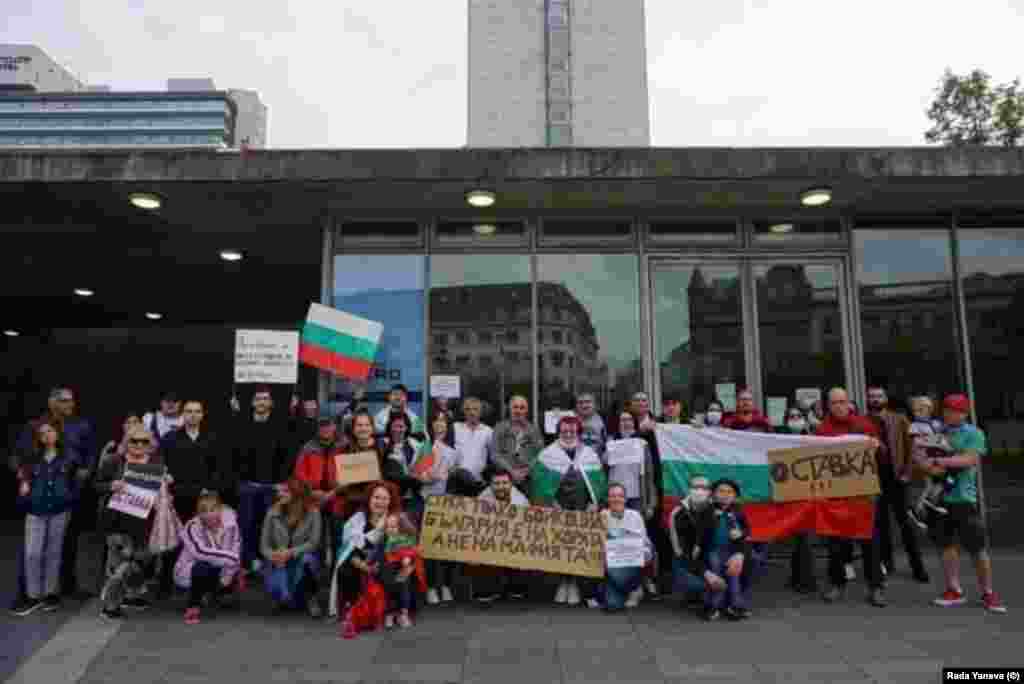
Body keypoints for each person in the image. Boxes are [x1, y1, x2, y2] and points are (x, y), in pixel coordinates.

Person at [14, 387, 95, 601]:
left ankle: (64, 587)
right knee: (33, 548)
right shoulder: (36, 426)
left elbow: (89, 454)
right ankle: (28, 592)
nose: (70, 404)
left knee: (67, 543)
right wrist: (24, 478)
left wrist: (86, 470)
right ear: (52, 402)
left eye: (72, 401)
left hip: (70, 492)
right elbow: (18, 457)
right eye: (64, 400)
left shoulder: (81, 426)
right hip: (40, 492)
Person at [929, 394, 1006, 613]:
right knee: (946, 546)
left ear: (965, 413)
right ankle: (954, 590)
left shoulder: (974, 433)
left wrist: (940, 461)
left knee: (977, 548)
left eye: (955, 410)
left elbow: (969, 460)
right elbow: (925, 461)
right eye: (947, 409)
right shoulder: (938, 432)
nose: (949, 413)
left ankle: (988, 593)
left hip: (964, 498)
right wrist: (928, 464)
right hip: (941, 498)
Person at [94, 427, 176, 620]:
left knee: (139, 562)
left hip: (146, 522)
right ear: (126, 442)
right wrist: (110, 486)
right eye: (134, 441)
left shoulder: (156, 463)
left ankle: (132, 596)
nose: (139, 445)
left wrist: (166, 484)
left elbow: (163, 492)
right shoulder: (114, 461)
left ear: (151, 445)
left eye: (144, 441)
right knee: (118, 564)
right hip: (117, 520)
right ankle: (110, 606)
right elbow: (95, 484)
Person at [815, 387, 886, 607]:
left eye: (842, 401)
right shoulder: (822, 430)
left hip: (862, 496)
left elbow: (882, 455)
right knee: (835, 543)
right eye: (834, 402)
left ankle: (876, 587)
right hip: (835, 496)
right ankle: (837, 584)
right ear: (829, 405)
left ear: (849, 403)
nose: (839, 406)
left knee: (869, 543)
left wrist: (877, 446)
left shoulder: (864, 425)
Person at [532, 415, 607, 606]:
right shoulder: (547, 454)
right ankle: (562, 582)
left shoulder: (589, 453)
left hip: (583, 507)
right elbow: (539, 484)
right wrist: (551, 504)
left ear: (578, 432)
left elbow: (598, 481)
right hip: (558, 507)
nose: (568, 433)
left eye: (572, 431)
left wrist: (595, 502)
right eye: (564, 430)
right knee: (560, 546)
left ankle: (573, 583)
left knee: (578, 546)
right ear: (558, 431)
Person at [160, 399, 228, 598]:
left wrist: (211, 489)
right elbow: (161, 465)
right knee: (173, 542)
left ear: (203, 414)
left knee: (205, 544)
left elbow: (220, 469)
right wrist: (165, 478)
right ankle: (167, 585)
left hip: (203, 500)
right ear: (183, 414)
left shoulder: (213, 438)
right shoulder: (169, 438)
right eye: (188, 411)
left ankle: (205, 588)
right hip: (177, 498)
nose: (192, 415)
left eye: (197, 411)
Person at [11, 421, 80, 616]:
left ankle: (50, 593)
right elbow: (23, 476)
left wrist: (69, 498)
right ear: (38, 438)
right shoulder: (31, 458)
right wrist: (24, 485)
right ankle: (33, 596)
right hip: (35, 509)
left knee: (54, 552)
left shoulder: (68, 457)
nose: (47, 435)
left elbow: (75, 482)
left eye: (50, 431)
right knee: (33, 553)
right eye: (42, 433)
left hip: (59, 510)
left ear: (57, 433)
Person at [865, 385, 929, 583]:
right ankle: (887, 564)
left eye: (879, 396)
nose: (876, 399)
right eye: (872, 397)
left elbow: (912, 448)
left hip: (898, 479)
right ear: (868, 400)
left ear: (885, 398)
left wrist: (908, 474)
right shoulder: (863, 421)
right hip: (875, 480)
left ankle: (917, 567)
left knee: (906, 524)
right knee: (880, 524)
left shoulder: (899, 419)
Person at [229, 386, 294, 575]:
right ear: (252, 402)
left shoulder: (281, 425)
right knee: (246, 525)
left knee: (270, 526)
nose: (261, 402)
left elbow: (287, 455)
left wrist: (282, 482)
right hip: (248, 485)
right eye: (258, 398)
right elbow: (232, 451)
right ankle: (248, 563)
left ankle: (269, 562)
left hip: (272, 486)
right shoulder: (241, 424)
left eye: (265, 398)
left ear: (271, 403)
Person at [329, 481, 401, 631]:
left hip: (386, 562)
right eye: (376, 497)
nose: (380, 502)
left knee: (388, 570)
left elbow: (404, 546)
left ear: (390, 501)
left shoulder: (396, 520)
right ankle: (352, 608)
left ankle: (387, 612)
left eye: (384, 498)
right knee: (345, 568)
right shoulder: (357, 519)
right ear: (369, 499)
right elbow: (349, 549)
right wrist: (364, 566)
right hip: (361, 562)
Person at [175, 490, 242, 625]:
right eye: (203, 511)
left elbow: (236, 548)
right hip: (189, 572)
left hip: (220, 569)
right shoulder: (191, 526)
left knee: (229, 574)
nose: (209, 514)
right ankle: (193, 606)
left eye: (213, 509)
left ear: (220, 509)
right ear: (198, 513)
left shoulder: (232, 525)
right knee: (203, 565)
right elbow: (200, 552)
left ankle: (212, 594)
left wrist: (226, 578)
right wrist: (233, 558)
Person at [260, 478, 323, 618]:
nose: (279, 494)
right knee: (274, 576)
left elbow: (314, 543)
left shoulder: (314, 512)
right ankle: (279, 597)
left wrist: (290, 553)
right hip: (279, 562)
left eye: (285, 491)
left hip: (300, 558)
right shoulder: (272, 513)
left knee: (308, 560)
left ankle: (311, 598)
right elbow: (264, 546)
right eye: (281, 491)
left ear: (297, 494)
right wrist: (274, 556)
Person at [470, 470, 531, 604]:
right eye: (496, 483)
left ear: (511, 484)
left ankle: (516, 589)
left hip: (513, 541)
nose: (501, 486)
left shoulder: (520, 501)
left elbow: (526, 531)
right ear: (490, 485)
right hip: (489, 540)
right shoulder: (482, 498)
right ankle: (487, 589)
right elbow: (475, 527)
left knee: (520, 557)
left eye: (504, 483)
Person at [696, 479, 753, 621]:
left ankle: (735, 605)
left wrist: (742, 533)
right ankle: (712, 606)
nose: (725, 495)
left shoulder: (738, 512)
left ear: (735, 496)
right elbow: (700, 533)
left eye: (729, 492)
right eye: (721, 491)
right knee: (717, 578)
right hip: (713, 551)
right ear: (713, 494)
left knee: (734, 578)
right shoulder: (706, 511)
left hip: (732, 551)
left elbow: (747, 530)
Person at [421, 412, 458, 605]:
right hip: (426, 500)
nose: (440, 424)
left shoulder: (453, 449)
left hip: (446, 501)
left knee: (446, 546)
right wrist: (426, 476)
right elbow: (418, 474)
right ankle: (430, 587)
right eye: (436, 420)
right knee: (429, 546)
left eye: (443, 421)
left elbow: (456, 474)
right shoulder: (424, 445)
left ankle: (446, 585)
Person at [598, 482, 653, 612]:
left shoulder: (635, 516)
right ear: (608, 499)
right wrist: (603, 523)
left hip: (631, 568)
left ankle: (635, 588)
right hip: (610, 568)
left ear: (625, 499)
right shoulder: (602, 516)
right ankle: (624, 591)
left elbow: (646, 546)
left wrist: (643, 555)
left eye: (620, 496)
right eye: (612, 496)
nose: (616, 499)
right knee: (612, 605)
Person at [781, 407, 817, 594]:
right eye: (791, 417)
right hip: (789, 495)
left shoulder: (814, 437)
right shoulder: (777, 439)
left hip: (809, 494)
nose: (795, 420)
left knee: (804, 537)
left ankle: (804, 579)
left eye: (798, 416)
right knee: (799, 538)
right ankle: (799, 577)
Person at [907, 396, 956, 528]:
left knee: (932, 485)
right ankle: (927, 504)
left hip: (937, 458)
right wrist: (939, 442)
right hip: (926, 459)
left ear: (930, 409)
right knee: (947, 480)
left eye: (922, 409)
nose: (919, 413)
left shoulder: (936, 423)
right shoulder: (915, 426)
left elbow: (945, 436)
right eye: (916, 410)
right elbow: (919, 442)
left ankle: (919, 509)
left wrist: (944, 442)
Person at [373, 513, 425, 629]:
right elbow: (377, 553)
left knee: (403, 588)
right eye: (388, 527)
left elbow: (414, 552)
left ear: (401, 528)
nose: (390, 530)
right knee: (389, 590)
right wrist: (373, 562)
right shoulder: (384, 539)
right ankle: (390, 613)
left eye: (394, 527)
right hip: (386, 571)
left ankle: (403, 614)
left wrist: (408, 558)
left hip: (402, 569)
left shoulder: (406, 539)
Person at [668, 476, 713, 606]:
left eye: (704, 487)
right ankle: (695, 591)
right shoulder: (677, 513)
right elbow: (679, 551)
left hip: (710, 558)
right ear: (689, 490)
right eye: (695, 487)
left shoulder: (715, 510)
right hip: (686, 559)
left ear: (709, 491)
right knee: (699, 585)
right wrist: (704, 572)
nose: (699, 491)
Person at [488, 394, 544, 494]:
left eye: (522, 408)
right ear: (510, 409)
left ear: (526, 410)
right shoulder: (499, 428)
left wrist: (526, 471)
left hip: (528, 478)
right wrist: (512, 471)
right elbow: (494, 454)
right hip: (504, 478)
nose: (518, 411)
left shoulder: (534, 430)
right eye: (515, 407)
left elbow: (540, 455)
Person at [381, 412, 430, 525]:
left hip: (413, 496)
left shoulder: (416, 445)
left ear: (407, 428)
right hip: (391, 497)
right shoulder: (382, 445)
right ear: (390, 427)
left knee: (412, 531)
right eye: (395, 426)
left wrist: (423, 475)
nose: (398, 430)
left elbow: (424, 469)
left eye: (401, 426)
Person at [451, 397, 494, 497]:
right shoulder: (455, 427)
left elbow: (494, 457)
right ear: (463, 412)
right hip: (457, 482)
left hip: (478, 483)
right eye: (468, 409)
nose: (472, 412)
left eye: (475, 409)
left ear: (480, 412)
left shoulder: (488, 431)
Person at [575, 393, 608, 460]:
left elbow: (608, 446)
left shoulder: (605, 421)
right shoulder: (570, 421)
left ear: (594, 404)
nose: (584, 405)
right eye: (580, 403)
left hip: (596, 465)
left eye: (588, 402)